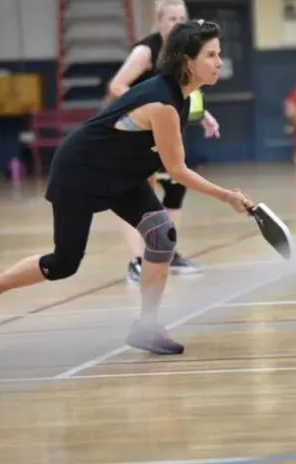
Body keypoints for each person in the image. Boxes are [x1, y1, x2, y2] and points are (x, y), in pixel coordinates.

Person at [0, 20, 252, 355]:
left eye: (219, 54)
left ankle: (146, 326)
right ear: (188, 61)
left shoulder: (183, 96)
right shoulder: (163, 104)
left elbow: (151, 154)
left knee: (161, 235)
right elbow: (177, 169)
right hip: (79, 172)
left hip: (121, 175)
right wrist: (227, 196)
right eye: (211, 55)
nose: (218, 62)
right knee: (64, 263)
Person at [108, 0, 218, 280]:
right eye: (172, 18)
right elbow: (117, 85)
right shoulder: (147, 50)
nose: (178, 23)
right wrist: (142, 107)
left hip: (165, 130)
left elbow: (183, 91)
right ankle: (137, 260)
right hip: (136, 132)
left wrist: (203, 114)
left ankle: (167, 253)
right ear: (159, 23)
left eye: (183, 18)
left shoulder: (183, 51)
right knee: (140, 195)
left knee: (176, 189)